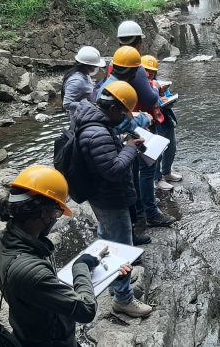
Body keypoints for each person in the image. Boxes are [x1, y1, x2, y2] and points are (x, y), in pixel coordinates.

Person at [0, 165, 132, 346]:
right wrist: (80, 268)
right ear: (43, 211)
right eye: (57, 212)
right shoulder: (30, 271)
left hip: (27, 332)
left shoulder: (5, 241)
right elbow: (86, 310)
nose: (55, 218)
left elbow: (37, 290)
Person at [72, 80, 153, 317]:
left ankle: (111, 280)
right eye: (124, 112)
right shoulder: (97, 133)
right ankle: (123, 299)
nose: (125, 118)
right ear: (114, 109)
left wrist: (121, 142)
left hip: (98, 195)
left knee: (106, 237)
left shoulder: (91, 119)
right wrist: (130, 148)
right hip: (109, 197)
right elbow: (114, 170)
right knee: (121, 247)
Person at [101, 21, 176, 227]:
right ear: (140, 42)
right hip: (137, 124)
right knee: (147, 169)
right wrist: (156, 90)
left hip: (123, 124)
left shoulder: (113, 63)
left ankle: (139, 214)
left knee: (132, 172)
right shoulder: (137, 67)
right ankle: (149, 212)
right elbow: (150, 99)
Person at [141, 54, 182, 191]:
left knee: (171, 147)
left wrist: (167, 98)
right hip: (152, 121)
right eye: (147, 71)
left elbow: (168, 97)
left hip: (166, 118)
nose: (150, 74)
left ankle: (167, 172)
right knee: (156, 150)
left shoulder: (160, 84)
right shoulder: (141, 86)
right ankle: (157, 178)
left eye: (153, 71)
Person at [62, 46, 106, 119]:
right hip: (80, 119)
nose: (96, 68)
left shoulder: (85, 75)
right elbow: (67, 104)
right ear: (87, 66)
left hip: (87, 114)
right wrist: (89, 105)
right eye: (94, 66)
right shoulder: (76, 81)